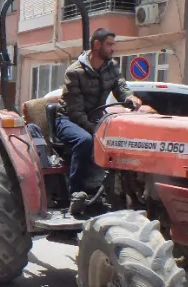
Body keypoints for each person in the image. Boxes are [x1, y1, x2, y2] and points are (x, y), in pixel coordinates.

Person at [54, 28, 141, 195]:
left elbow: (120, 86)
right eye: (109, 44)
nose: (112, 49)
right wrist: (97, 131)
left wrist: (129, 97)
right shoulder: (74, 72)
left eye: (113, 45)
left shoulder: (111, 67)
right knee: (85, 141)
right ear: (96, 44)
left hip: (95, 119)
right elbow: (76, 112)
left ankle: (119, 191)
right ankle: (76, 192)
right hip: (68, 120)